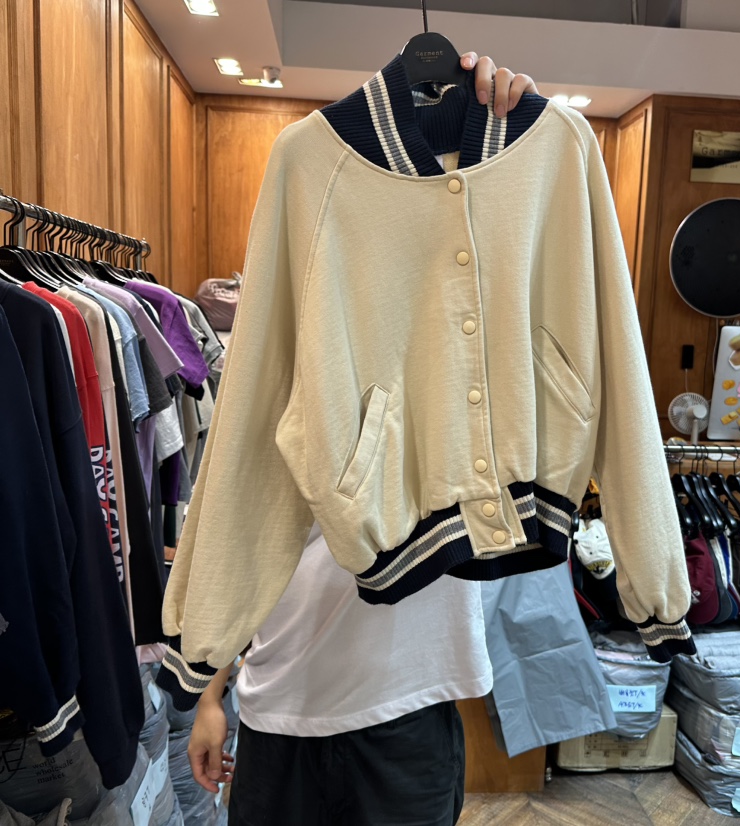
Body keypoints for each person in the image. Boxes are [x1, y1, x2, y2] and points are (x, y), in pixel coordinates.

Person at [187, 53, 539, 826]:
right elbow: (240, 508)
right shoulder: (295, 302)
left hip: (409, 705)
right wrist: (208, 691)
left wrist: (509, 134)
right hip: (278, 702)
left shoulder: (474, 301)